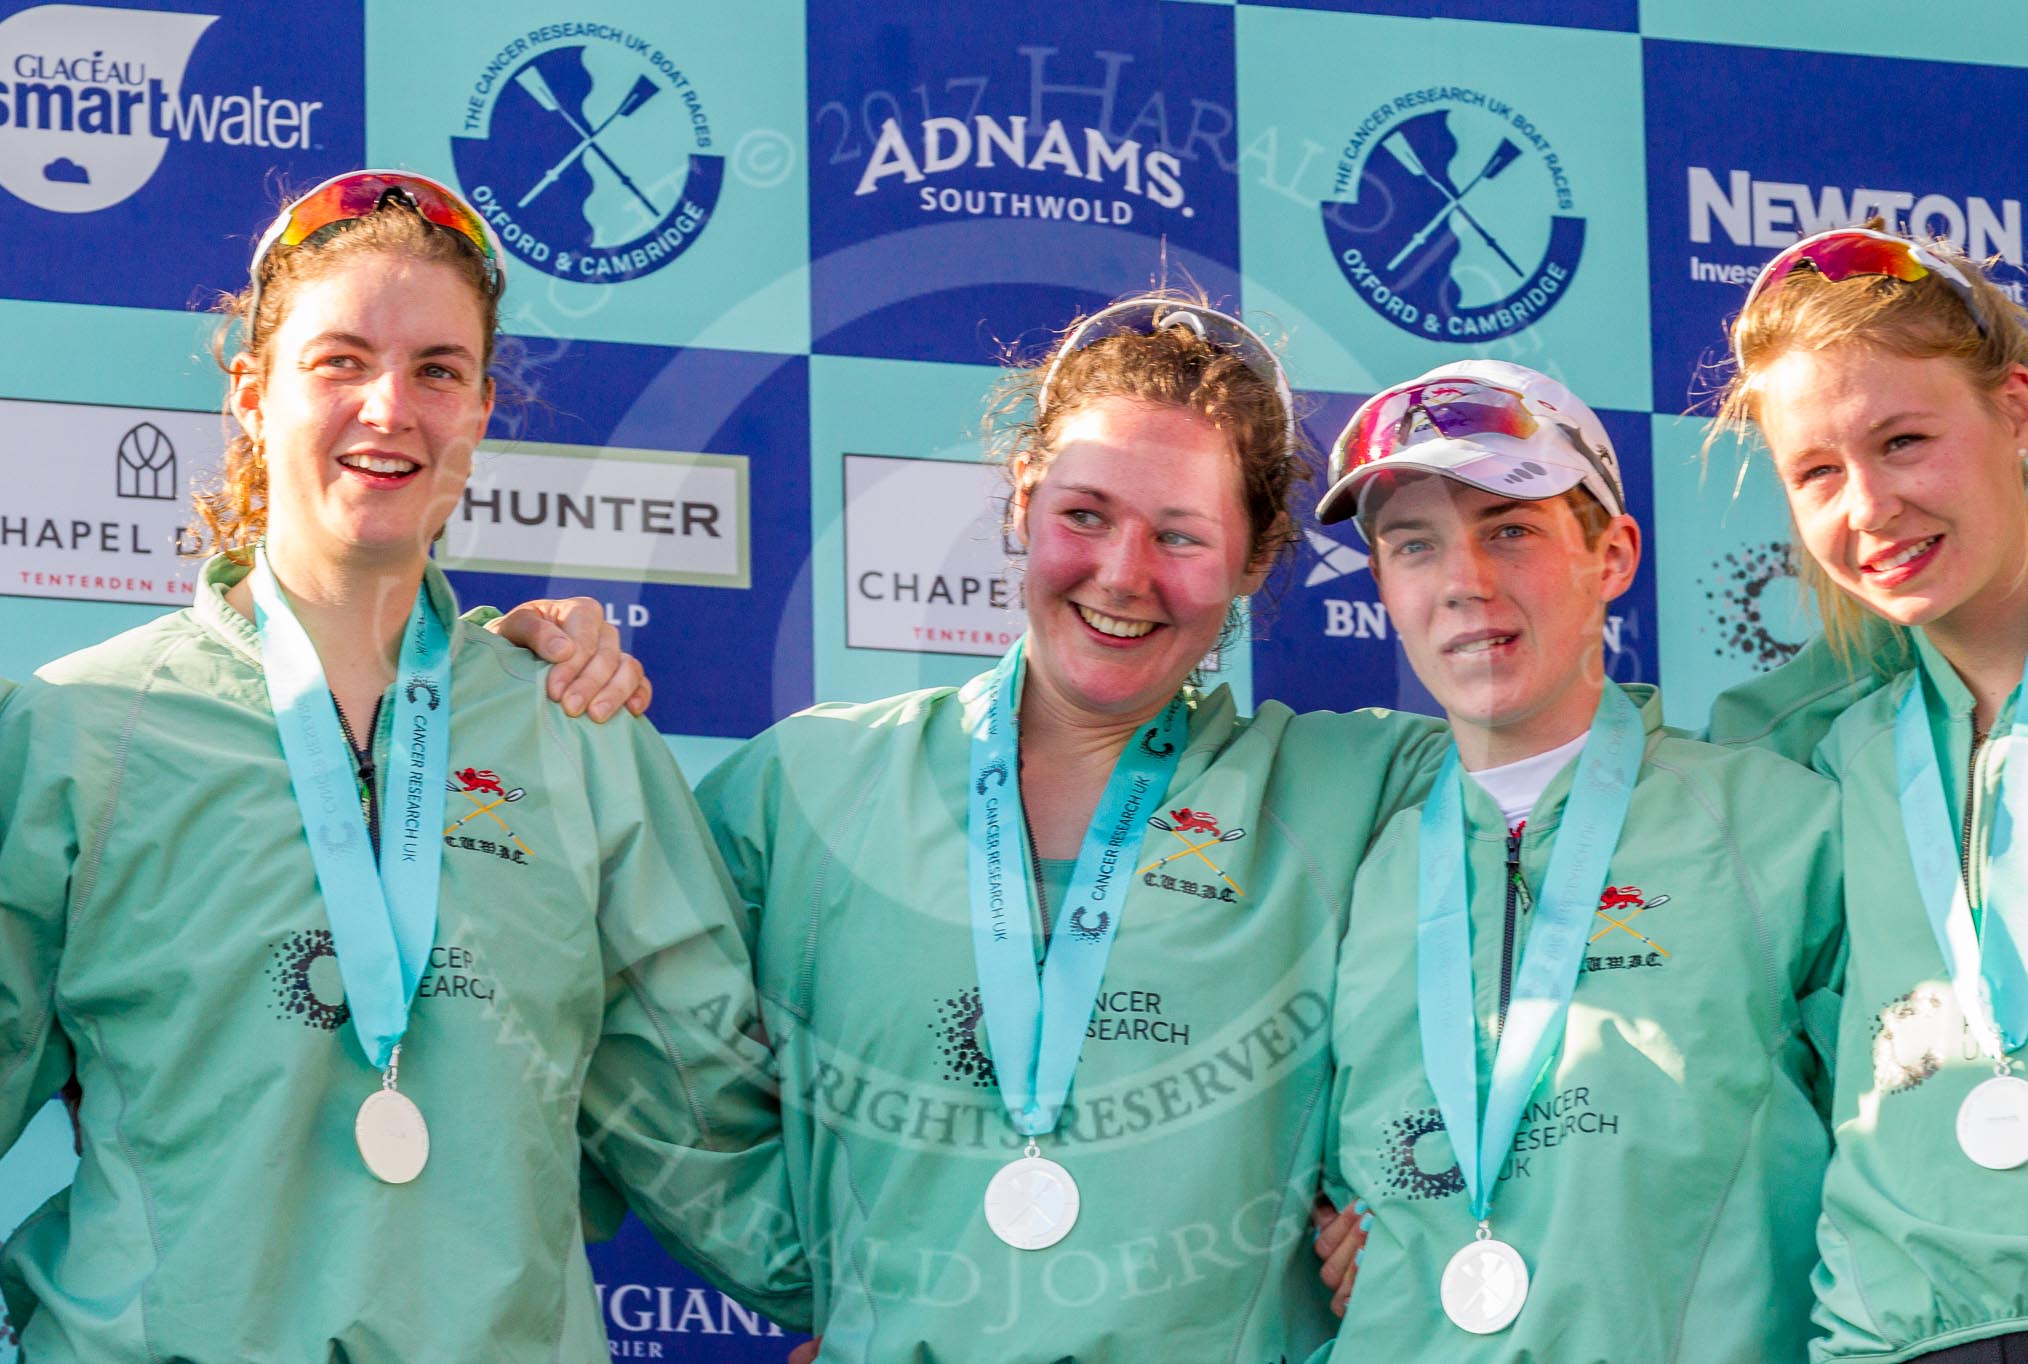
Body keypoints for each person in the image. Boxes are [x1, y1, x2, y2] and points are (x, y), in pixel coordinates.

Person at [0, 170, 805, 1360]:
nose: (391, 406)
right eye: (338, 360)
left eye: (437, 368)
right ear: (250, 394)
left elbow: (708, 1135)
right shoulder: (76, 731)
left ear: (481, 409)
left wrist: (919, 1307)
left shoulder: (573, 733)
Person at [698, 295, 1448, 1361]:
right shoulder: (811, 780)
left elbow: (1589, 831)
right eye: (1085, 514)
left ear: (1253, 560)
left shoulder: (1357, 786)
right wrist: (844, 1275)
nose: (1122, 573)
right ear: (1022, 498)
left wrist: (1423, 1208)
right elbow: (617, 1006)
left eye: (1181, 535)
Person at [1310, 361, 1844, 1361]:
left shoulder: (1780, 825)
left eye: (1508, 526)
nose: (1464, 580)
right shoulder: (1351, 862)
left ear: (1613, 553)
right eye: (1413, 544)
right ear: (1380, 583)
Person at [1709, 225, 2028, 1362]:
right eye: (1817, 473)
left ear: (2017, 411)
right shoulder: (1818, 757)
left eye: (1904, 440)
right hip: (1889, 1336)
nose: (1870, 506)